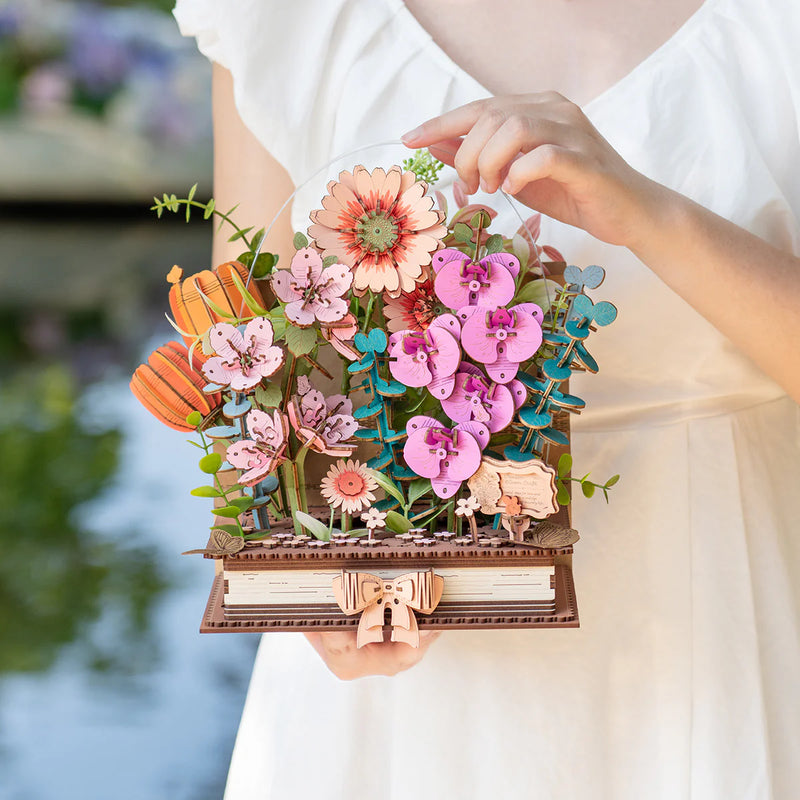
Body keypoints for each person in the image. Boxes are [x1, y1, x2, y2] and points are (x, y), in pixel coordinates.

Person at [174, 0, 800, 797]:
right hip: (397, 694)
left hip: (723, 640)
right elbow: (250, 369)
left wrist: (651, 216)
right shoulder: (290, 17)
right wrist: (310, 585)